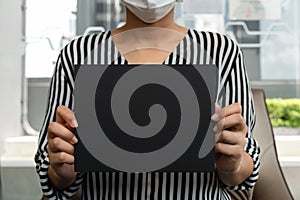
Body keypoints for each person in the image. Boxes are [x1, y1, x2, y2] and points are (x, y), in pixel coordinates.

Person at [35, 0, 260, 199]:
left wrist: (233, 164)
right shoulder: (77, 54)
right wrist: (61, 171)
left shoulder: (222, 51)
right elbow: (52, 166)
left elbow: (246, 162)